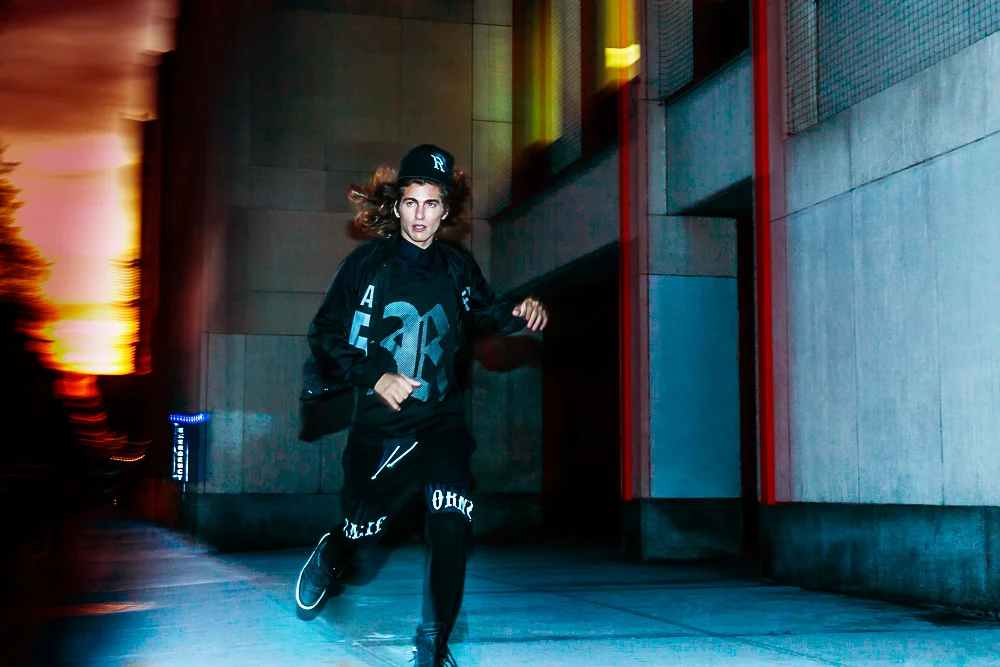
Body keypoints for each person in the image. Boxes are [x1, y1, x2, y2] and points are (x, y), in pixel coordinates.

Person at [295, 144, 548, 666]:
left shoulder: (457, 268)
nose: (420, 217)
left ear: (446, 210)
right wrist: (375, 375)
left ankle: (433, 646)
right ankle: (337, 549)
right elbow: (323, 335)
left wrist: (519, 311)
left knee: (451, 519)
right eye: (411, 203)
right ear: (397, 205)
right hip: (380, 430)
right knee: (364, 527)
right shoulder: (365, 265)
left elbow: (486, 312)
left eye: (432, 205)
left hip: (440, 425)